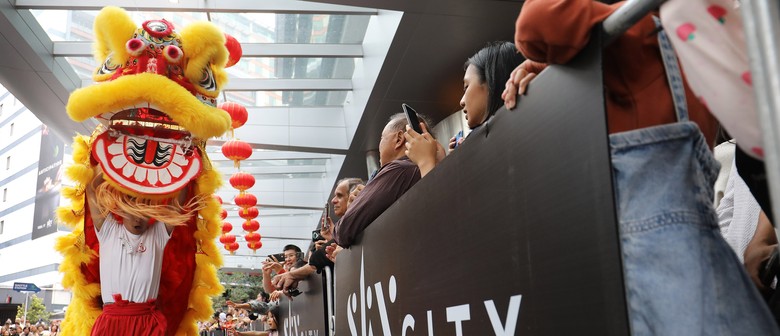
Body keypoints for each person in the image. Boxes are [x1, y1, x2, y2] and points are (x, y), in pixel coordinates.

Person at [507, 1, 777, 334]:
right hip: (693, 253)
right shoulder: (682, 37)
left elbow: (536, 20)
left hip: (645, 264)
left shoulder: (633, 35)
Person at [85, 169, 195, 336]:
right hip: (111, 321)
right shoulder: (109, 230)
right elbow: (91, 189)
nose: (139, 219)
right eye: (134, 213)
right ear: (123, 211)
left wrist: (182, 169)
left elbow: (178, 203)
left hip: (146, 322)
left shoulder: (157, 234)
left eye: (144, 214)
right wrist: (111, 168)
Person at [405, 41, 524, 177]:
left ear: (491, 83)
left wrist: (426, 162)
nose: (461, 102)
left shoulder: (503, 147)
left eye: (467, 87)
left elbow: (443, 199)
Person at [334, 113, 427, 247]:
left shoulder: (398, 169)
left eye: (382, 138)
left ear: (399, 139)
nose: (379, 145)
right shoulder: (418, 169)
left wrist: (353, 208)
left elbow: (343, 232)